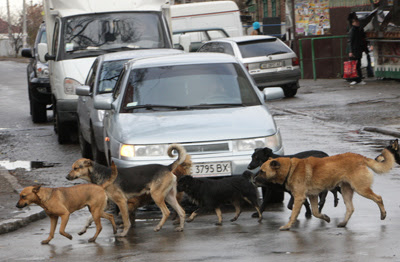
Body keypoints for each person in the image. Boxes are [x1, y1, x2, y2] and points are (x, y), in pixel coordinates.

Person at [347, 15, 366, 85]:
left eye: (357, 21)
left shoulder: (358, 29)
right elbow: (350, 41)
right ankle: (356, 79)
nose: (357, 22)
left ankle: (357, 79)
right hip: (355, 50)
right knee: (355, 65)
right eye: (355, 22)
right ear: (352, 23)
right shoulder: (353, 30)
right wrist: (351, 51)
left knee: (357, 65)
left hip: (357, 50)